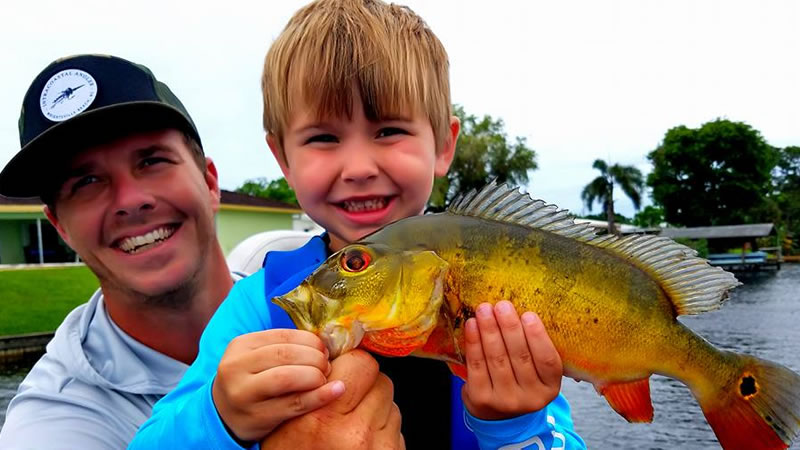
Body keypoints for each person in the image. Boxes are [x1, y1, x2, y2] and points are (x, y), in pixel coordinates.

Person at [131, 1, 586, 449]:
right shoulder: (261, 306)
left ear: (444, 146)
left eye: (389, 131)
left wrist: (516, 427)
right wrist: (222, 415)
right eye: (323, 138)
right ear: (282, 159)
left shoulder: (499, 288)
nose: (358, 167)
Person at [0, 54, 401, 449]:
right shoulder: (48, 427)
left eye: (152, 160)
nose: (131, 200)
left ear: (211, 182)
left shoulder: (290, 293)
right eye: (86, 181)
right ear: (60, 227)